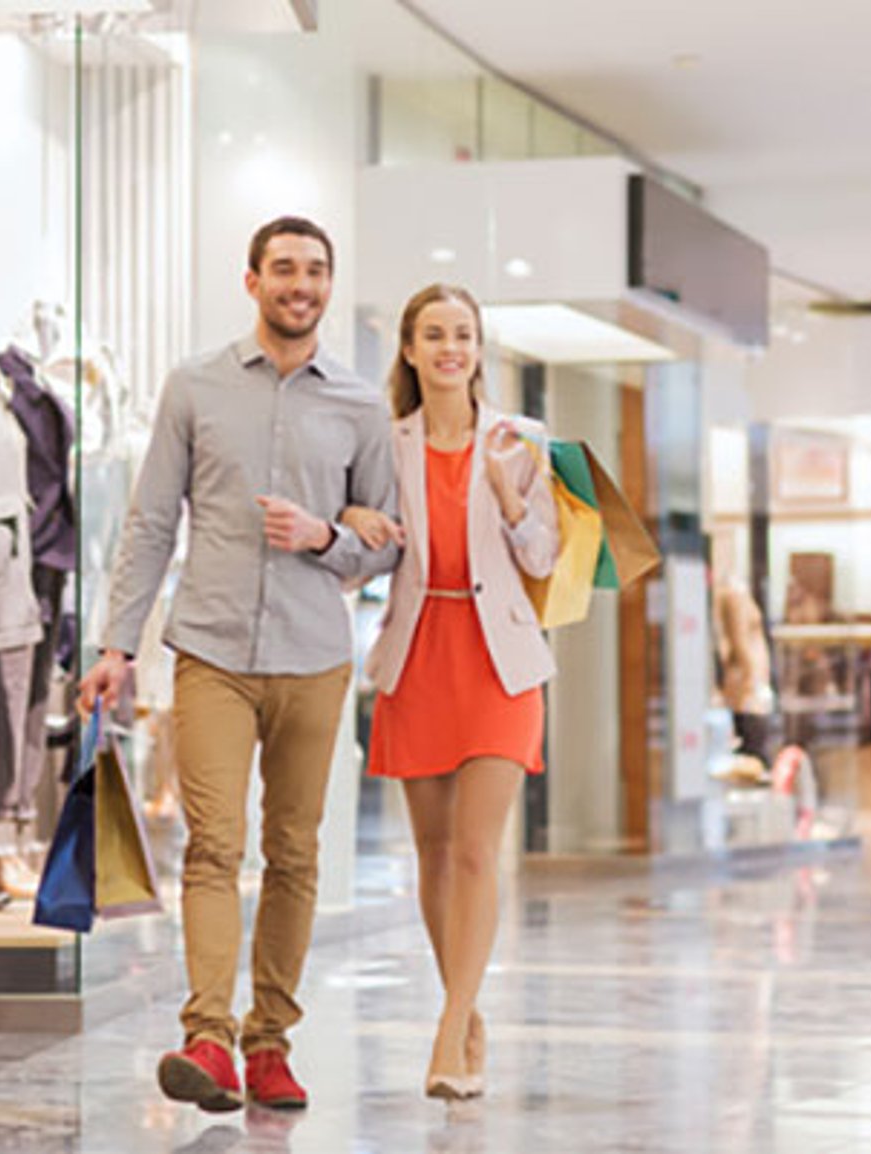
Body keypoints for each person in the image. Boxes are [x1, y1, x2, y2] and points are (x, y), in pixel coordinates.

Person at [79, 216, 398, 1113]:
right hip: (210, 650)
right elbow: (149, 524)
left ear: (329, 287)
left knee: (294, 854)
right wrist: (117, 646)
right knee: (214, 846)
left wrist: (326, 535)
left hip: (313, 658)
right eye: (285, 269)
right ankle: (208, 1040)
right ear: (252, 281)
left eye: (317, 271)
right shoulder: (196, 386)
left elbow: (386, 543)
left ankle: (271, 1047)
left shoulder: (360, 405)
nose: (302, 284)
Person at [339, 283, 558, 1100]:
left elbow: (542, 558)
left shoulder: (520, 439)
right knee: (430, 856)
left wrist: (508, 499)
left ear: (478, 347)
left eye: (462, 334)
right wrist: (354, 521)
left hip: (499, 658)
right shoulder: (383, 441)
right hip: (418, 648)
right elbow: (365, 547)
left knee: (475, 850)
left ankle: (449, 1025)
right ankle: (464, 1016)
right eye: (433, 334)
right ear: (408, 348)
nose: (448, 348)